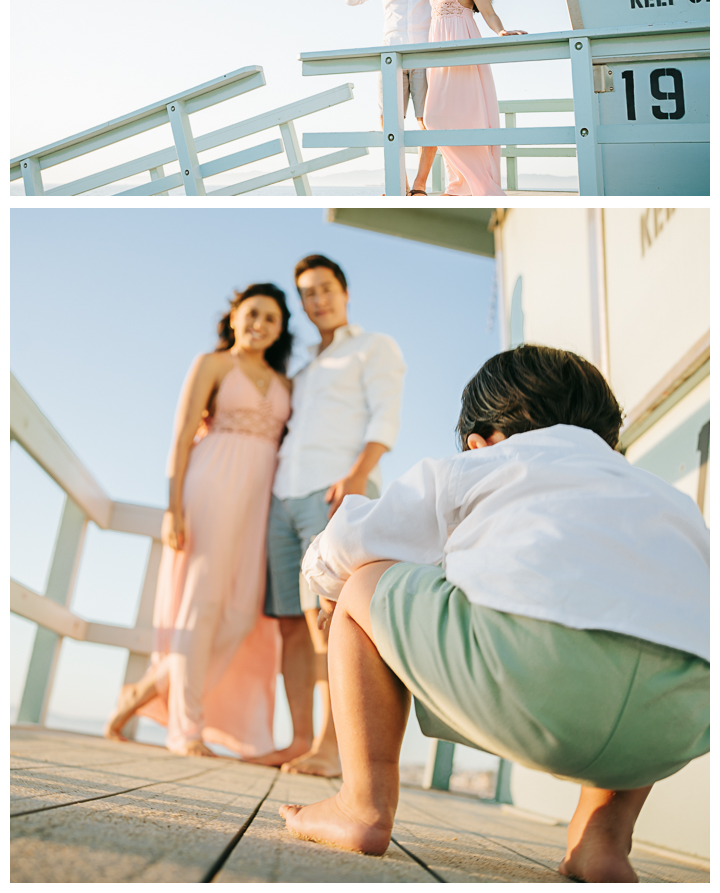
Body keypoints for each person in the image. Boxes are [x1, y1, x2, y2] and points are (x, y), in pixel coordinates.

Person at [281, 345, 709, 883]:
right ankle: (603, 840)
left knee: (364, 582)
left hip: (533, 682)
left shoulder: (487, 463)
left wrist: (329, 588)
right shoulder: (662, 497)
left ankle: (361, 805)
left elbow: (347, 540)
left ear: (479, 443)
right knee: (640, 617)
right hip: (678, 724)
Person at [105, 284, 293, 757]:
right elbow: (182, 435)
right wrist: (173, 506)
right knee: (201, 607)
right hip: (211, 485)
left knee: (241, 616)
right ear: (233, 316)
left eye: (271, 318)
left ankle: (145, 688)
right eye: (252, 313)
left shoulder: (287, 382)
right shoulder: (211, 364)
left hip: (259, 500)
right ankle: (185, 730)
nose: (259, 324)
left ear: (280, 328)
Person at [245, 255, 405, 777]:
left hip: (335, 492)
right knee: (292, 624)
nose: (318, 299)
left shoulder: (373, 347)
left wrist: (359, 475)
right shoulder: (304, 366)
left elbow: (386, 415)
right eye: (308, 293)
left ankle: (333, 748)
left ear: (345, 291)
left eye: (326, 288)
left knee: (330, 620)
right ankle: (299, 741)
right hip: (283, 495)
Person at [415, 0, 527, 197]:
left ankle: (476, 184)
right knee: (436, 117)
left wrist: (500, 30)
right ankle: (460, 184)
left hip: (461, 47)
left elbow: (487, 11)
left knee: (459, 116)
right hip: (438, 53)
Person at [346, 0, 444, 195]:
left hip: (425, 53)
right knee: (389, 120)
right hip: (392, 55)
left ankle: (420, 184)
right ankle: (398, 183)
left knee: (428, 120)